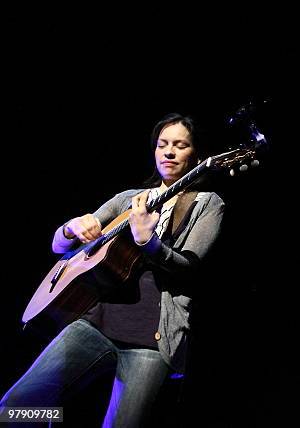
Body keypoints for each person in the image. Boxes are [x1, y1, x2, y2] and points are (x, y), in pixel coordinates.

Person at [0, 113, 224, 426]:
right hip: (94, 324)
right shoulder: (129, 199)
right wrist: (73, 227)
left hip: (150, 343)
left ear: (195, 155)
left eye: (180, 145)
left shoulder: (207, 203)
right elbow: (59, 246)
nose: (169, 152)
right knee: (17, 406)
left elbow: (189, 267)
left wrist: (149, 242)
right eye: (163, 145)